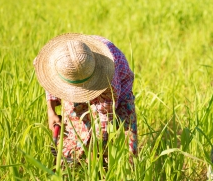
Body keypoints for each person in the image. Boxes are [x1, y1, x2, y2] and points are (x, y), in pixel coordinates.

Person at [33, 33, 137, 163]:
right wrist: (51, 110)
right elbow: (50, 79)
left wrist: (90, 151)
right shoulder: (59, 58)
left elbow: (105, 120)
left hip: (116, 96)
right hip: (81, 74)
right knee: (74, 126)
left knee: (121, 142)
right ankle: (70, 162)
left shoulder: (108, 81)